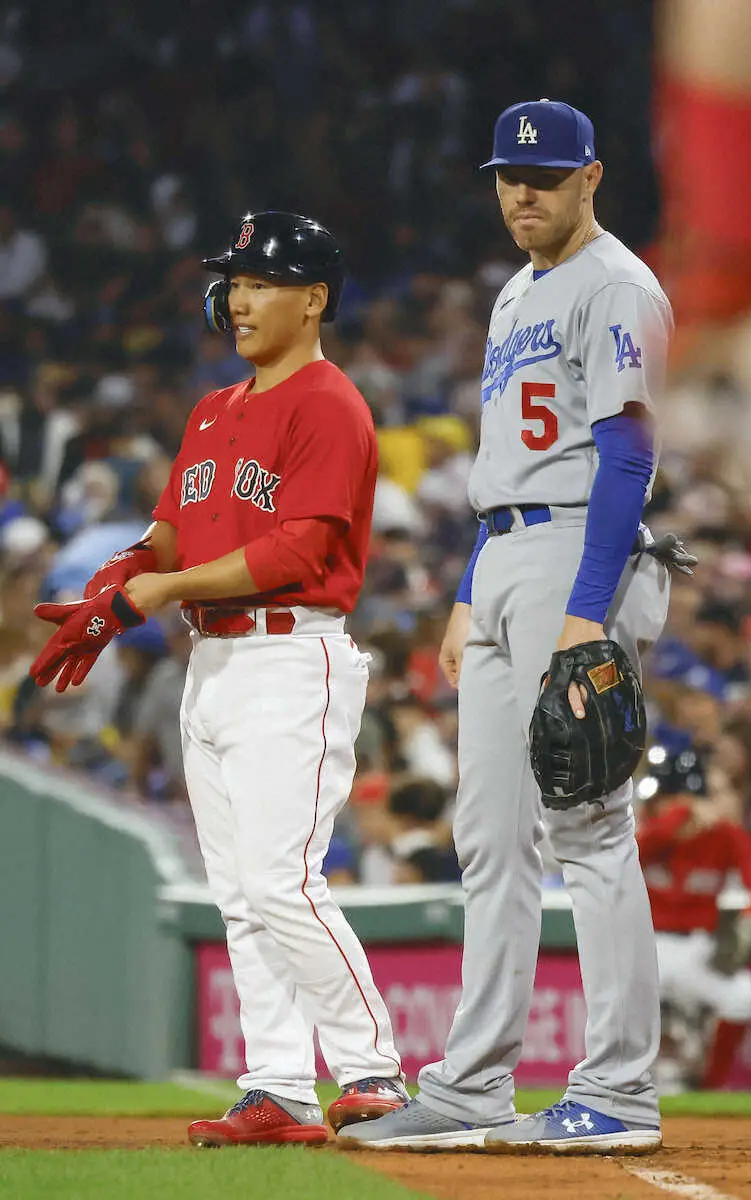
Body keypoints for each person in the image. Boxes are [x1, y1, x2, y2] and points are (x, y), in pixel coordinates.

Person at [29, 211, 408, 1147]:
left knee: (283, 883)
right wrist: (121, 580)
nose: (239, 299)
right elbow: (171, 530)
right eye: (234, 281)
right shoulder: (211, 409)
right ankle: (279, 1086)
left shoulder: (329, 403)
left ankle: (374, 1071)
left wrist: (161, 591)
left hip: (291, 654)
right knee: (241, 895)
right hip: (213, 662)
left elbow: (300, 548)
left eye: (260, 282)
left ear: (313, 299)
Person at [343, 100, 675, 1154]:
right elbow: (503, 466)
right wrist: (466, 592)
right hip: (503, 554)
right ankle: (472, 1085)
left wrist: (584, 611)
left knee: (589, 829)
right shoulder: (515, 292)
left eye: (544, 175)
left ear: (591, 176)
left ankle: (618, 1088)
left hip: (579, 551)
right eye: (507, 176)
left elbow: (628, 457)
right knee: (487, 838)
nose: (521, 192)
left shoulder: (616, 284)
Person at [636, 746, 751, 1090]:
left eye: (677, 799)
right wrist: (679, 817)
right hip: (647, 947)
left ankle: (710, 1086)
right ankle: (621, 1082)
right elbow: (635, 852)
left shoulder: (725, 836)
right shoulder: (651, 833)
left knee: (743, 995)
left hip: (696, 948)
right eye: (668, 800)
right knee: (620, 1008)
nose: (668, 806)